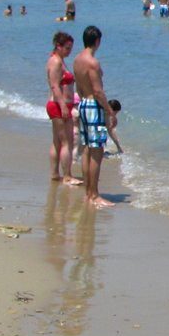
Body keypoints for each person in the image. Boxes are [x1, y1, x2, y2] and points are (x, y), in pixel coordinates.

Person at [73, 25, 117, 208]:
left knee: (87, 151)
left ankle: (88, 193)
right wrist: (109, 111)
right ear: (97, 41)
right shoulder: (92, 62)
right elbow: (98, 91)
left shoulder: (77, 60)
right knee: (97, 151)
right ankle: (94, 195)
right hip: (93, 106)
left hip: (83, 104)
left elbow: (78, 87)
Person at [46, 31, 81, 185]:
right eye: (67, 48)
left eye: (71, 48)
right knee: (67, 141)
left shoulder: (60, 60)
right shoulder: (56, 62)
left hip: (60, 105)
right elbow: (54, 85)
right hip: (58, 105)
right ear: (58, 46)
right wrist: (63, 106)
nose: (69, 51)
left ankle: (55, 174)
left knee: (57, 141)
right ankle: (67, 175)